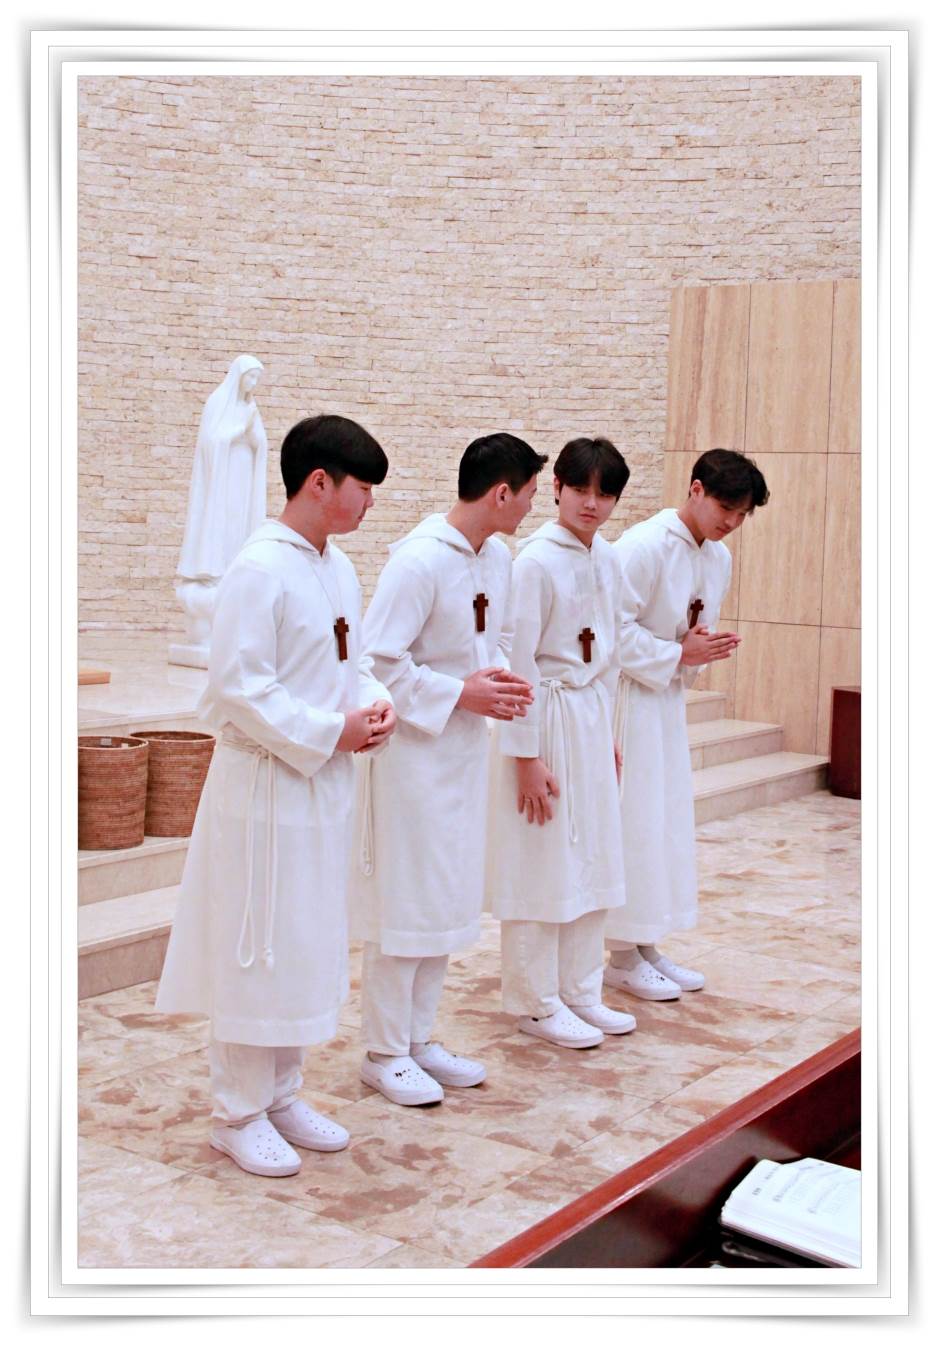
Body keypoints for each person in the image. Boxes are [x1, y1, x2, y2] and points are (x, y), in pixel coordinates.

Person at [156, 413, 397, 1177]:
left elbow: (353, 662)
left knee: (302, 940)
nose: (369, 504)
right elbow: (239, 686)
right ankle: (237, 1113)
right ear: (319, 482)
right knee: (255, 943)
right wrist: (332, 730)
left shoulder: (336, 567)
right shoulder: (259, 568)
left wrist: (375, 703)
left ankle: (282, 1093)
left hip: (320, 784)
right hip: (264, 786)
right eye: (363, 489)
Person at [349, 432, 546, 1105]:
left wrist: (500, 685)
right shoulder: (418, 561)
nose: (530, 508)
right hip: (411, 756)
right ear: (501, 493)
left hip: (462, 751)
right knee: (405, 901)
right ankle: (384, 1051)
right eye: (527, 495)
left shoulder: (499, 557)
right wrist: (460, 692)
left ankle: (418, 1038)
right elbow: (377, 662)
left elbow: (499, 641)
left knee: (444, 896)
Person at [603, 447, 769, 1001]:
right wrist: (677, 653)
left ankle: (646, 943)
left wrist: (693, 652)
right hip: (628, 699)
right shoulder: (642, 546)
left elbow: (692, 632)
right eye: (726, 508)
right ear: (695, 489)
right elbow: (607, 631)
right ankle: (620, 955)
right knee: (633, 822)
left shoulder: (717, 557)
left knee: (662, 822)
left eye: (742, 514)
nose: (732, 522)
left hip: (666, 701)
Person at [487, 437, 636, 1049]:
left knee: (593, 855)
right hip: (547, 716)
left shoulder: (608, 558)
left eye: (604, 494)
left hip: (590, 715)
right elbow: (517, 661)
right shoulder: (534, 563)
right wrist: (525, 757)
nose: (591, 504)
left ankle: (581, 990)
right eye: (580, 489)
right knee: (542, 861)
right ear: (556, 489)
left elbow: (611, 656)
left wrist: (609, 737)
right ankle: (535, 1001)